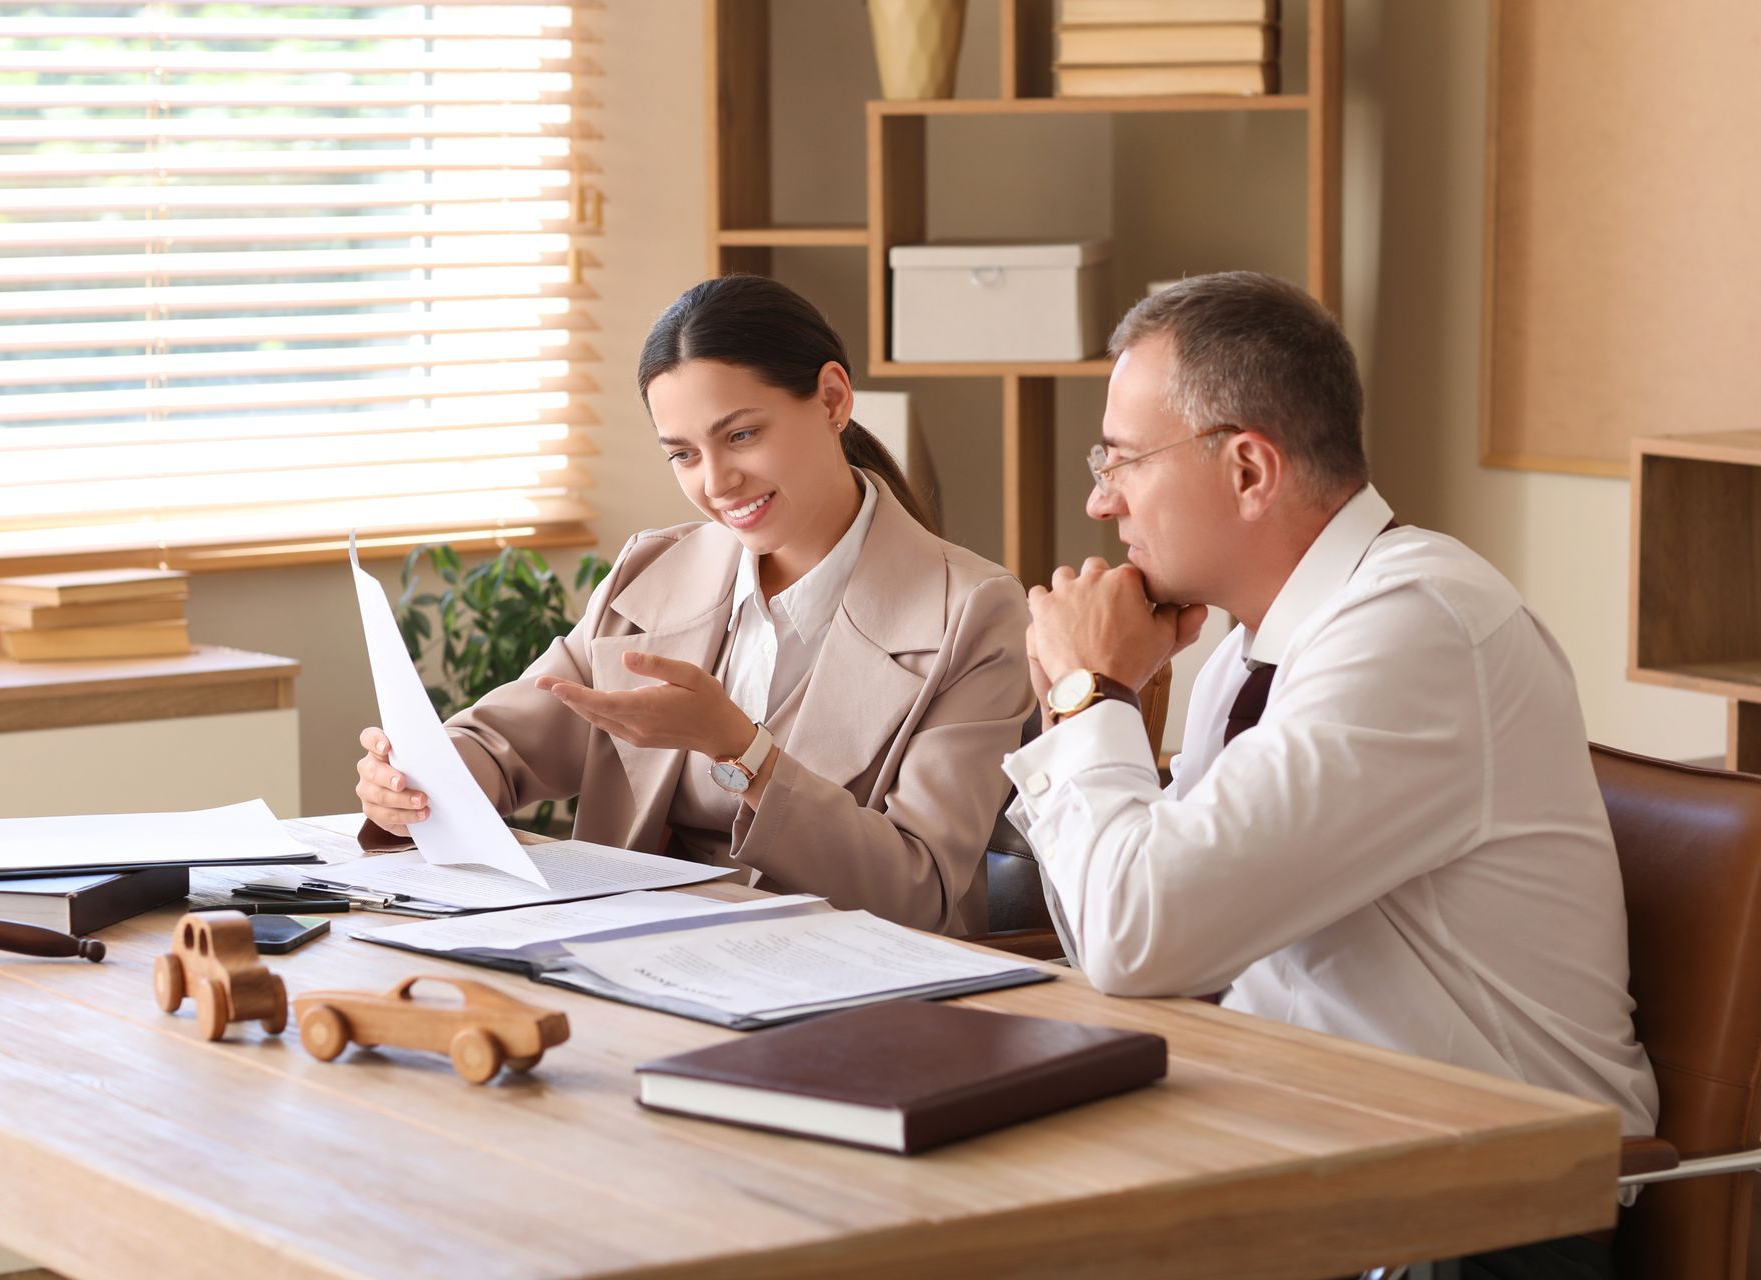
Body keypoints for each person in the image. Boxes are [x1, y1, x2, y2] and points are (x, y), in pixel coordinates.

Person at [1007, 271, 1655, 1278]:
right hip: (1313, 1149)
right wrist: (1097, 703)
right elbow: (1128, 940)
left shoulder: (1415, 631)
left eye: (1123, 458)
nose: (1101, 499)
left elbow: (1142, 937)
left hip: (1484, 1216)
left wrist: (1094, 693)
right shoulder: (1250, 644)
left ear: (1251, 468)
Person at [355, 275, 1033, 935]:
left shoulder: (975, 614)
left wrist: (739, 750)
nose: (716, 483)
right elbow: (510, 740)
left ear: (832, 399)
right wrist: (421, 780)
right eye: (683, 454)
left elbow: (922, 891)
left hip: (842, 988)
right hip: (630, 959)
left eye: (741, 436)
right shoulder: (651, 570)